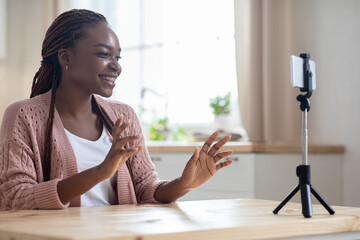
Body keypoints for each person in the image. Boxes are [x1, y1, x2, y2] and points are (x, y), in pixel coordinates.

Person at [0, 9, 233, 210]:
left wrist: (184, 184)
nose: (116, 66)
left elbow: (145, 189)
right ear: (65, 57)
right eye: (104, 54)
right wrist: (100, 172)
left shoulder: (123, 115)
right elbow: (15, 198)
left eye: (117, 57)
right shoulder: (24, 115)